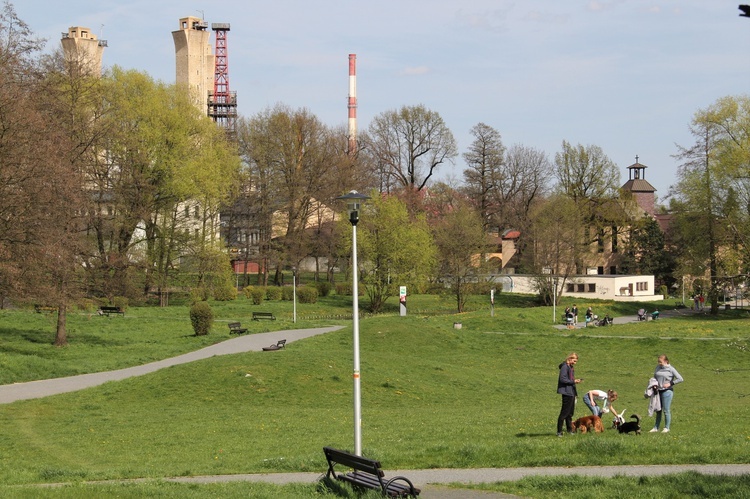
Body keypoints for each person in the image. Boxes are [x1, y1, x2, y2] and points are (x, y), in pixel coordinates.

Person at [650, 354, 684, 433]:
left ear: (666, 361)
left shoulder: (671, 369)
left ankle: (666, 428)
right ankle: (656, 427)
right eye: (658, 362)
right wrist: (654, 384)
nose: (659, 363)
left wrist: (670, 384)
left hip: (667, 392)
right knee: (658, 410)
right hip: (658, 391)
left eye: (660, 362)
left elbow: (680, 379)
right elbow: (655, 377)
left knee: (666, 410)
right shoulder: (658, 367)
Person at [556, 352, 581, 436]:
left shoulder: (570, 368)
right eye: (574, 361)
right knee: (564, 413)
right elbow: (562, 379)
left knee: (570, 413)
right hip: (566, 392)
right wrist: (573, 381)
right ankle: (559, 432)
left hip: (571, 392)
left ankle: (569, 430)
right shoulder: (564, 367)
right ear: (570, 359)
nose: (575, 363)